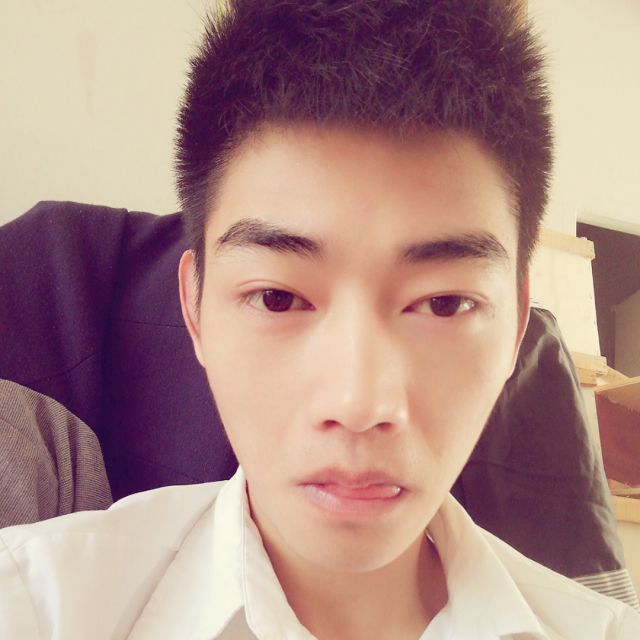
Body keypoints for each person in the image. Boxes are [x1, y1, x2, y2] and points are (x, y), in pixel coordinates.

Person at [0, 0, 638, 638]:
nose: (357, 405)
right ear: (194, 307)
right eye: (278, 298)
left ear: (518, 326)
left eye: (443, 303)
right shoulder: (37, 605)